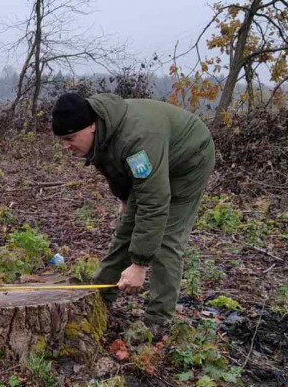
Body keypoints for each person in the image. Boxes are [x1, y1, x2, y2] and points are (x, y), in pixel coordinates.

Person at [51, 92, 216, 333]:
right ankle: (100, 298)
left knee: (166, 239)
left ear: (92, 126)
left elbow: (155, 202)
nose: (66, 146)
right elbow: (111, 164)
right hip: (156, 158)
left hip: (189, 159)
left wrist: (139, 264)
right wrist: (124, 197)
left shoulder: (135, 140)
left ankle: (157, 320)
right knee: (126, 229)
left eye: (70, 138)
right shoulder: (102, 133)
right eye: (61, 140)